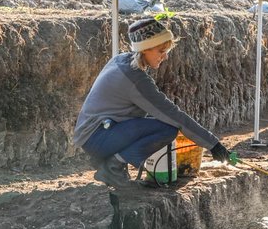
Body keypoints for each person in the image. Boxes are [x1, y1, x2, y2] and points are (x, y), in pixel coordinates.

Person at [73, 17, 234, 189]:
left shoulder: (121, 60)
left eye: (167, 50)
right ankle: (113, 166)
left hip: (94, 134)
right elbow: (173, 115)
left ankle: (114, 165)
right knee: (167, 128)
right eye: (161, 50)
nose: (165, 57)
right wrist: (213, 145)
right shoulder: (135, 79)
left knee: (155, 123)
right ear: (144, 49)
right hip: (97, 138)